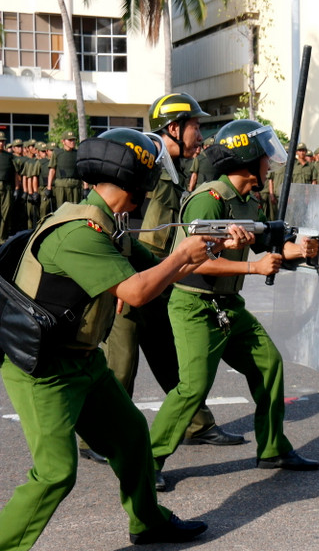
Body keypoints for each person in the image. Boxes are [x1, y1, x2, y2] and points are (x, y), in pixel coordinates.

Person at [0, 128, 248, 548]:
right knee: (56, 473)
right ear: (134, 177)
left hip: (84, 361)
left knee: (132, 436)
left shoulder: (106, 226)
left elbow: (158, 270)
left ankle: (148, 522)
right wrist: (182, 255)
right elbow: (136, 291)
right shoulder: (79, 233)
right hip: (45, 370)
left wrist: (211, 246)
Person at [149, 119, 319, 491]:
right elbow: (191, 262)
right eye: (264, 156)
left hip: (229, 306)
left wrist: (300, 250)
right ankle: (148, 461)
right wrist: (253, 268)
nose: (269, 163)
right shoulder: (208, 200)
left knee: (268, 365)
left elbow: (266, 244)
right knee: (193, 388)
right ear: (247, 158)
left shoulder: (249, 200)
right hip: (195, 306)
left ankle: (273, 448)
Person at [97, 93, 243, 468]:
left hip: (156, 283)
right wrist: (131, 282)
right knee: (121, 366)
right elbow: (144, 237)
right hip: (135, 284)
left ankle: (196, 424)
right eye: (195, 126)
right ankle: (100, 437)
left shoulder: (168, 167)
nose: (200, 135)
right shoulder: (160, 175)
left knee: (170, 359)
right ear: (174, 128)